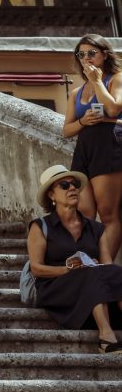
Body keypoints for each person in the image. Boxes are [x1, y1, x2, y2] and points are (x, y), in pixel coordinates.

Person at [27, 164, 122, 351]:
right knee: (90, 275)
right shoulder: (41, 227)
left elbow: (107, 266)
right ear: (52, 195)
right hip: (56, 287)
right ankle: (106, 336)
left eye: (75, 185)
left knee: (114, 271)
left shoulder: (95, 228)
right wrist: (69, 269)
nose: (72, 188)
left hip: (90, 287)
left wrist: (94, 266)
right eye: (64, 185)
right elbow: (36, 268)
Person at [63, 35, 122, 262]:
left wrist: (97, 81)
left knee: (108, 213)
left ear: (104, 55)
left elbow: (114, 108)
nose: (86, 58)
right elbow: (66, 130)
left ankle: (102, 266)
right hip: (85, 147)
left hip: (109, 141)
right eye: (81, 54)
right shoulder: (76, 92)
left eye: (91, 53)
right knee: (84, 212)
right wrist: (82, 122)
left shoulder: (115, 79)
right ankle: (88, 260)